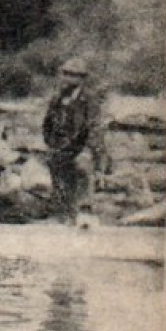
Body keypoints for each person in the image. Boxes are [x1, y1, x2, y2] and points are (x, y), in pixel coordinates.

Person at [42, 57, 109, 220]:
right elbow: (47, 123)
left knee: (82, 171)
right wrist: (51, 143)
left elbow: (94, 128)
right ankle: (62, 215)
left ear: (82, 79)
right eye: (66, 74)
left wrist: (90, 151)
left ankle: (82, 213)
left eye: (73, 75)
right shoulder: (57, 98)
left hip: (81, 147)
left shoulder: (89, 99)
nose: (68, 78)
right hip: (60, 147)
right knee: (58, 178)